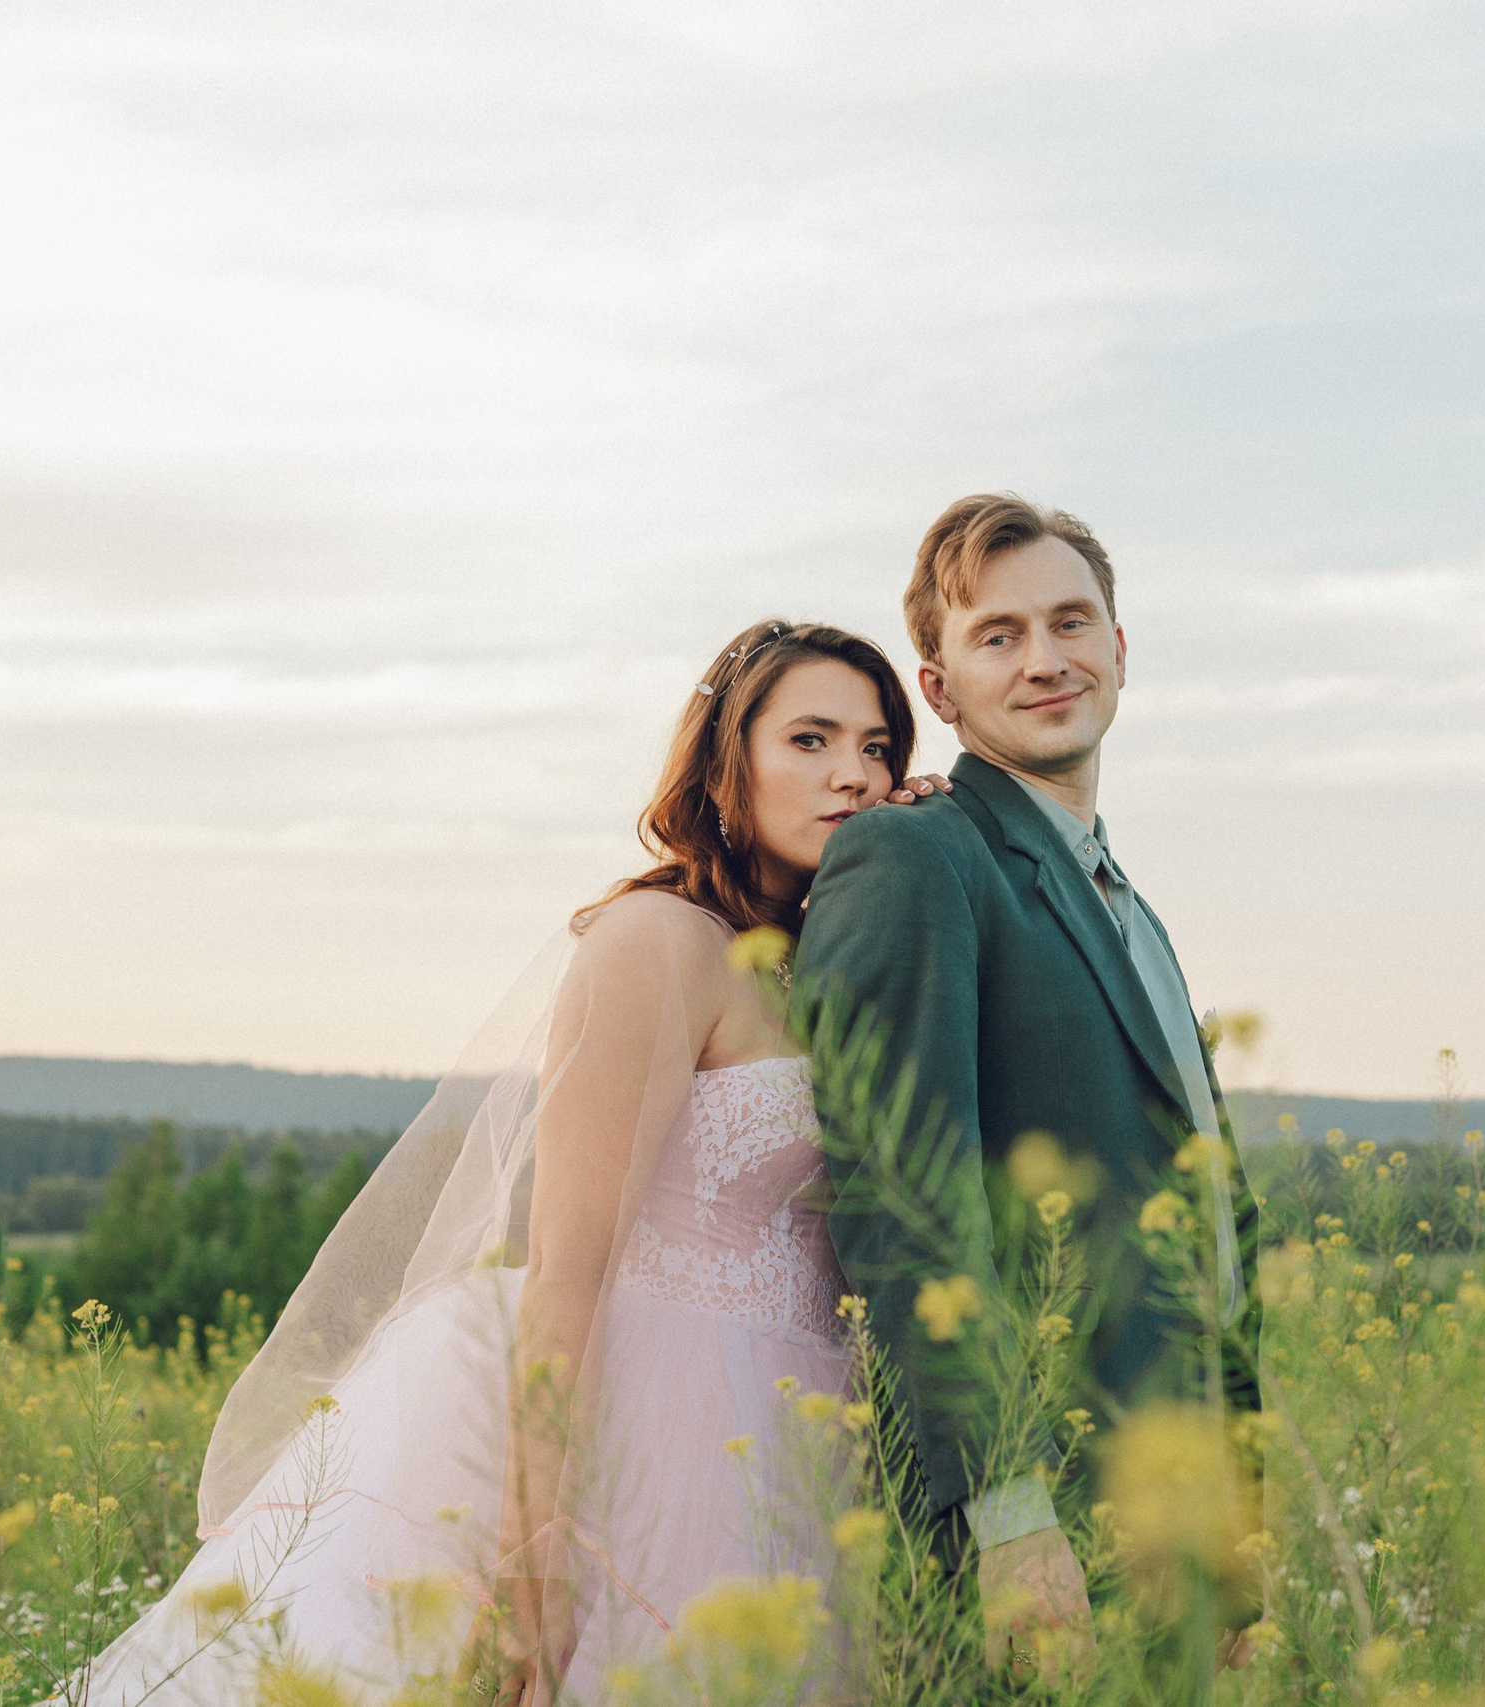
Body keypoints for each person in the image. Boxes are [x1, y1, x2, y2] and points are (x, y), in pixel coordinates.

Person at [60, 620, 945, 1707]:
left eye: (875, 747)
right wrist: (538, 1539)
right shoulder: (659, 942)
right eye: (809, 740)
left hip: (799, 1436)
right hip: (645, 1426)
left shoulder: (822, 964)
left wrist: (931, 852)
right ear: (729, 761)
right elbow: (566, 1262)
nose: (851, 774)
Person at [794, 494, 1263, 1686]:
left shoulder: (1127, 900)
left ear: (1120, 651)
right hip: (1043, 1518)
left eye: (1071, 622)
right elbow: (903, 1203)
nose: (1046, 659)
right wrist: (1005, 1515)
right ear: (939, 691)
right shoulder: (914, 857)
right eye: (997, 636)